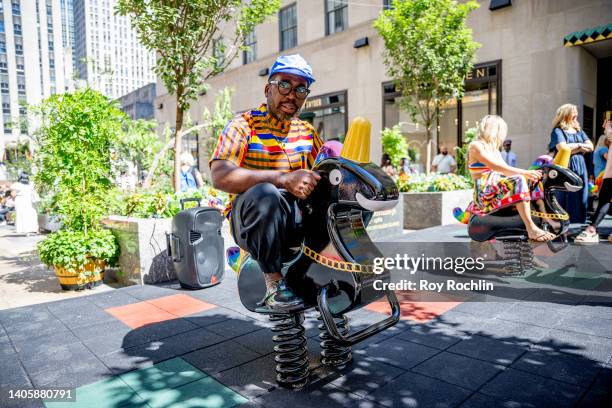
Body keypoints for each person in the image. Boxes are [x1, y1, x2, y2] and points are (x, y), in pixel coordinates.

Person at [210, 54, 322, 311]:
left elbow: (321, 173)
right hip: (251, 219)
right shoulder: (244, 125)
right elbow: (220, 175)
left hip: (293, 220)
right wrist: (282, 179)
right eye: (284, 85)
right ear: (268, 88)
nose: (291, 95)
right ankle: (273, 283)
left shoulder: (307, 133)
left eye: (301, 89)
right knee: (266, 193)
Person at [467, 115, 555, 242]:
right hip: (485, 195)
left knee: (532, 181)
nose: (503, 136)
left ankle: (545, 219)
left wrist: (530, 177)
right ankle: (531, 227)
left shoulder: (495, 150)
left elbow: (505, 171)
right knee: (519, 179)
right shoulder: (476, 146)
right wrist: (525, 173)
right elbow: (497, 167)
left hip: (496, 190)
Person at [548, 104, 593, 224]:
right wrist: (580, 146)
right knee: (565, 193)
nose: (576, 115)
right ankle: (563, 223)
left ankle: (578, 223)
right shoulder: (557, 131)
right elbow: (563, 149)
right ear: (565, 114)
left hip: (580, 164)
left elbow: (591, 147)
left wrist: (574, 147)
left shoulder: (579, 130)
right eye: (573, 112)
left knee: (580, 193)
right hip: (565, 165)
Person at [575, 119, 612, 244]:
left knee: (604, 200)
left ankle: (592, 229)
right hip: (607, 174)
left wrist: (607, 127)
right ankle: (592, 229)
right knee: (604, 200)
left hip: (607, 174)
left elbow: (610, 135)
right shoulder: (602, 149)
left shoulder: (601, 148)